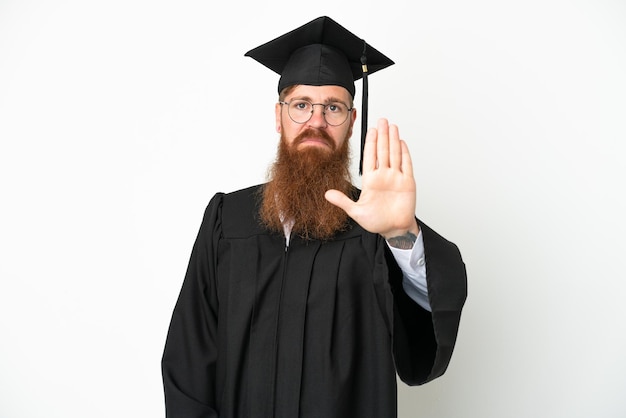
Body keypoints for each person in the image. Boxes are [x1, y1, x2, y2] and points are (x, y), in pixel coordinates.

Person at [161, 16, 467, 418]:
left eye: (333, 108)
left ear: (351, 122)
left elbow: (421, 347)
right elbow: (188, 355)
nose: (316, 121)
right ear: (279, 116)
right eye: (301, 105)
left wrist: (400, 234)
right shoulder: (226, 221)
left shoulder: (373, 228)